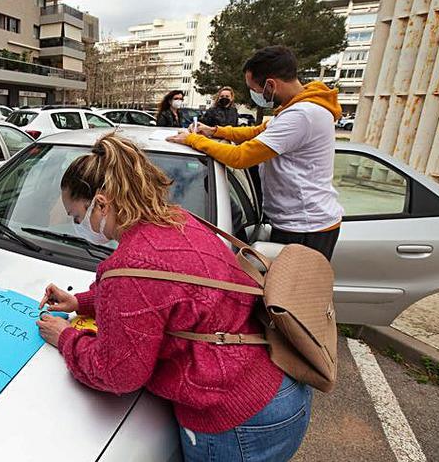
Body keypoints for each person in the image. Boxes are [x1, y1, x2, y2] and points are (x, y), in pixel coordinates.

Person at [35, 134, 311, 462]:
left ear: (102, 204)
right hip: (281, 387)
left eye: (78, 217)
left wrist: (65, 337)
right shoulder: (177, 219)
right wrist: (81, 302)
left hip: (236, 422)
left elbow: (118, 373)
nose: (78, 225)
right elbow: (166, 297)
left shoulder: (129, 266)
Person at [168, 46, 343, 260]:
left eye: (255, 89)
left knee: (290, 291)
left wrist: (194, 140)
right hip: (299, 221)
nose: (255, 95)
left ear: (270, 84)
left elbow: (240, 157)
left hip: (304, 227)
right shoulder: (297, 108)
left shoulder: (302, 115)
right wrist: (215, 131)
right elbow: (257, 131)